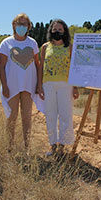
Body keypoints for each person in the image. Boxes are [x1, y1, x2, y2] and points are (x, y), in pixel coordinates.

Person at [0, 13, 42, 153]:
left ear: (28, 26)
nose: (21, 27)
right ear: (14, 25)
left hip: (28, 86)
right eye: (19, 24)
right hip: (12, 86)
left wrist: (38, 84)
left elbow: (37, 64)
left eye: (24, 24)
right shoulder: (6, 43)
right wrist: (5, 86)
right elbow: (2, 67)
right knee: (12, 117)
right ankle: (9, 147)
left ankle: (27, 147)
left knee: (27, 117)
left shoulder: (32, 43)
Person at [37, 19, 79, 156]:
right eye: (54, 29)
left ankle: (62, 146)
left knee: (65, 115)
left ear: (65, 31)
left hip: (66, 85)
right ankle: (52, 145)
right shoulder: (44, 47)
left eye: (60, 30)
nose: (57, 32)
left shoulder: (70, 47)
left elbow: (74, 68)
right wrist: (39, 85)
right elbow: (41, 67)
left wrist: (75, 87)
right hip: (48, 85)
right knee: (50, 116)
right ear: (50, 31)